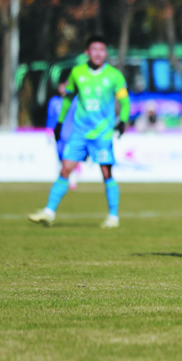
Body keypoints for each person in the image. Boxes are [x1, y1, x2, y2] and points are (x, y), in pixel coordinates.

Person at [29, 36, 130, 228]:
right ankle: (49, 212)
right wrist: (59, 123)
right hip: (80, 132)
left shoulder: (115, 75)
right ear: (87, 52)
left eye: (102, 49)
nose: (98, 53)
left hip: (102, 134)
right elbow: (68, 99)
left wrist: (123, 121)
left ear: (106, 52)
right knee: (65, 169)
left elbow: (124, 102)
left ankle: (113, 217)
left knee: (106, 173)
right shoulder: (77, 72)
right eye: (94, 49)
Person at [46, 72, 80, 190]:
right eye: (61, 85)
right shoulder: (54, 102)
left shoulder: (75, 101)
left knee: (70, 158)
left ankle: (72, 179)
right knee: (60, 157)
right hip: (59, 134)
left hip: (72, 134)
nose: (63, 88)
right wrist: (49, 131)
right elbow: (50, 117)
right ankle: (61, 179)